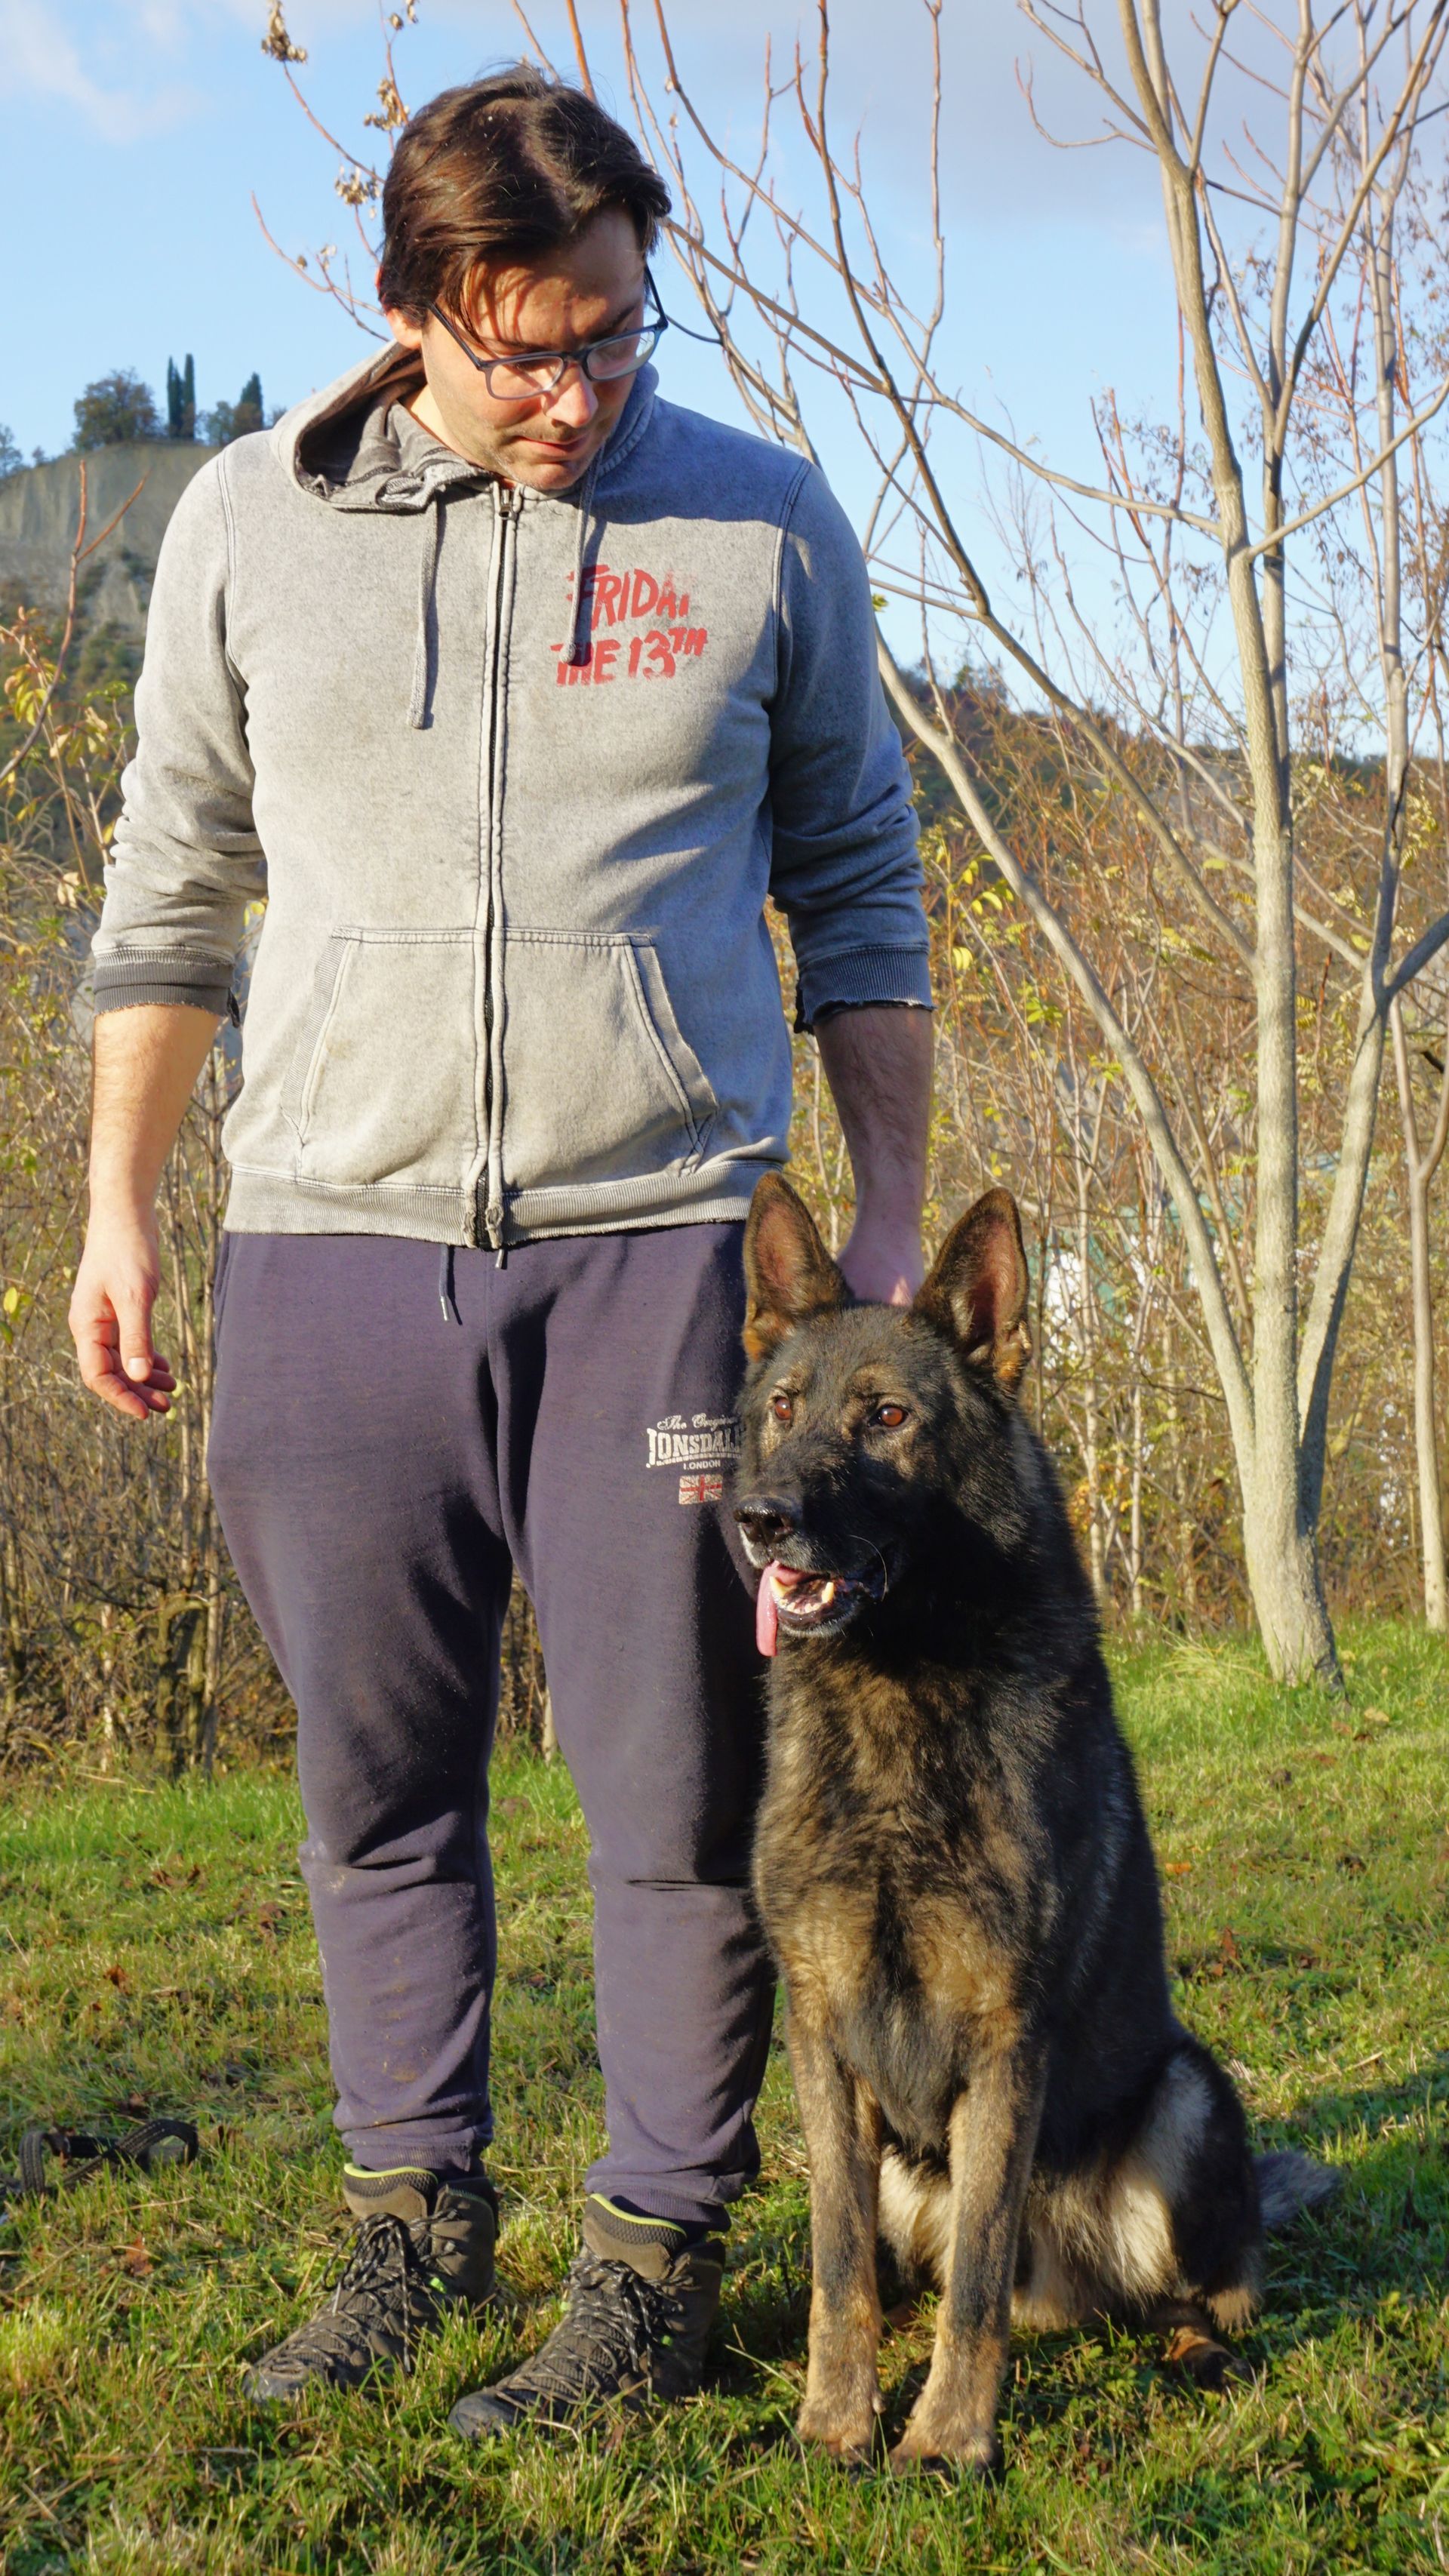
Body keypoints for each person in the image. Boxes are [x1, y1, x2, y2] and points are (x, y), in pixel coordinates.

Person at [69, 66, 932, 2435]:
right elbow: (170, 892)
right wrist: (121, 1208)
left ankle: (655, 2257)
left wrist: (866, 1209)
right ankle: (409, 2226)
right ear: (415, 315)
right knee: (377, 1779)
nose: (574, 394)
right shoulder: (254, 524)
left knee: (672, 1790)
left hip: (661, 1240)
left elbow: (859, 876)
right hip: (333, 1244)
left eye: (617, 338)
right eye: (524, 348)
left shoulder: (755, 524)